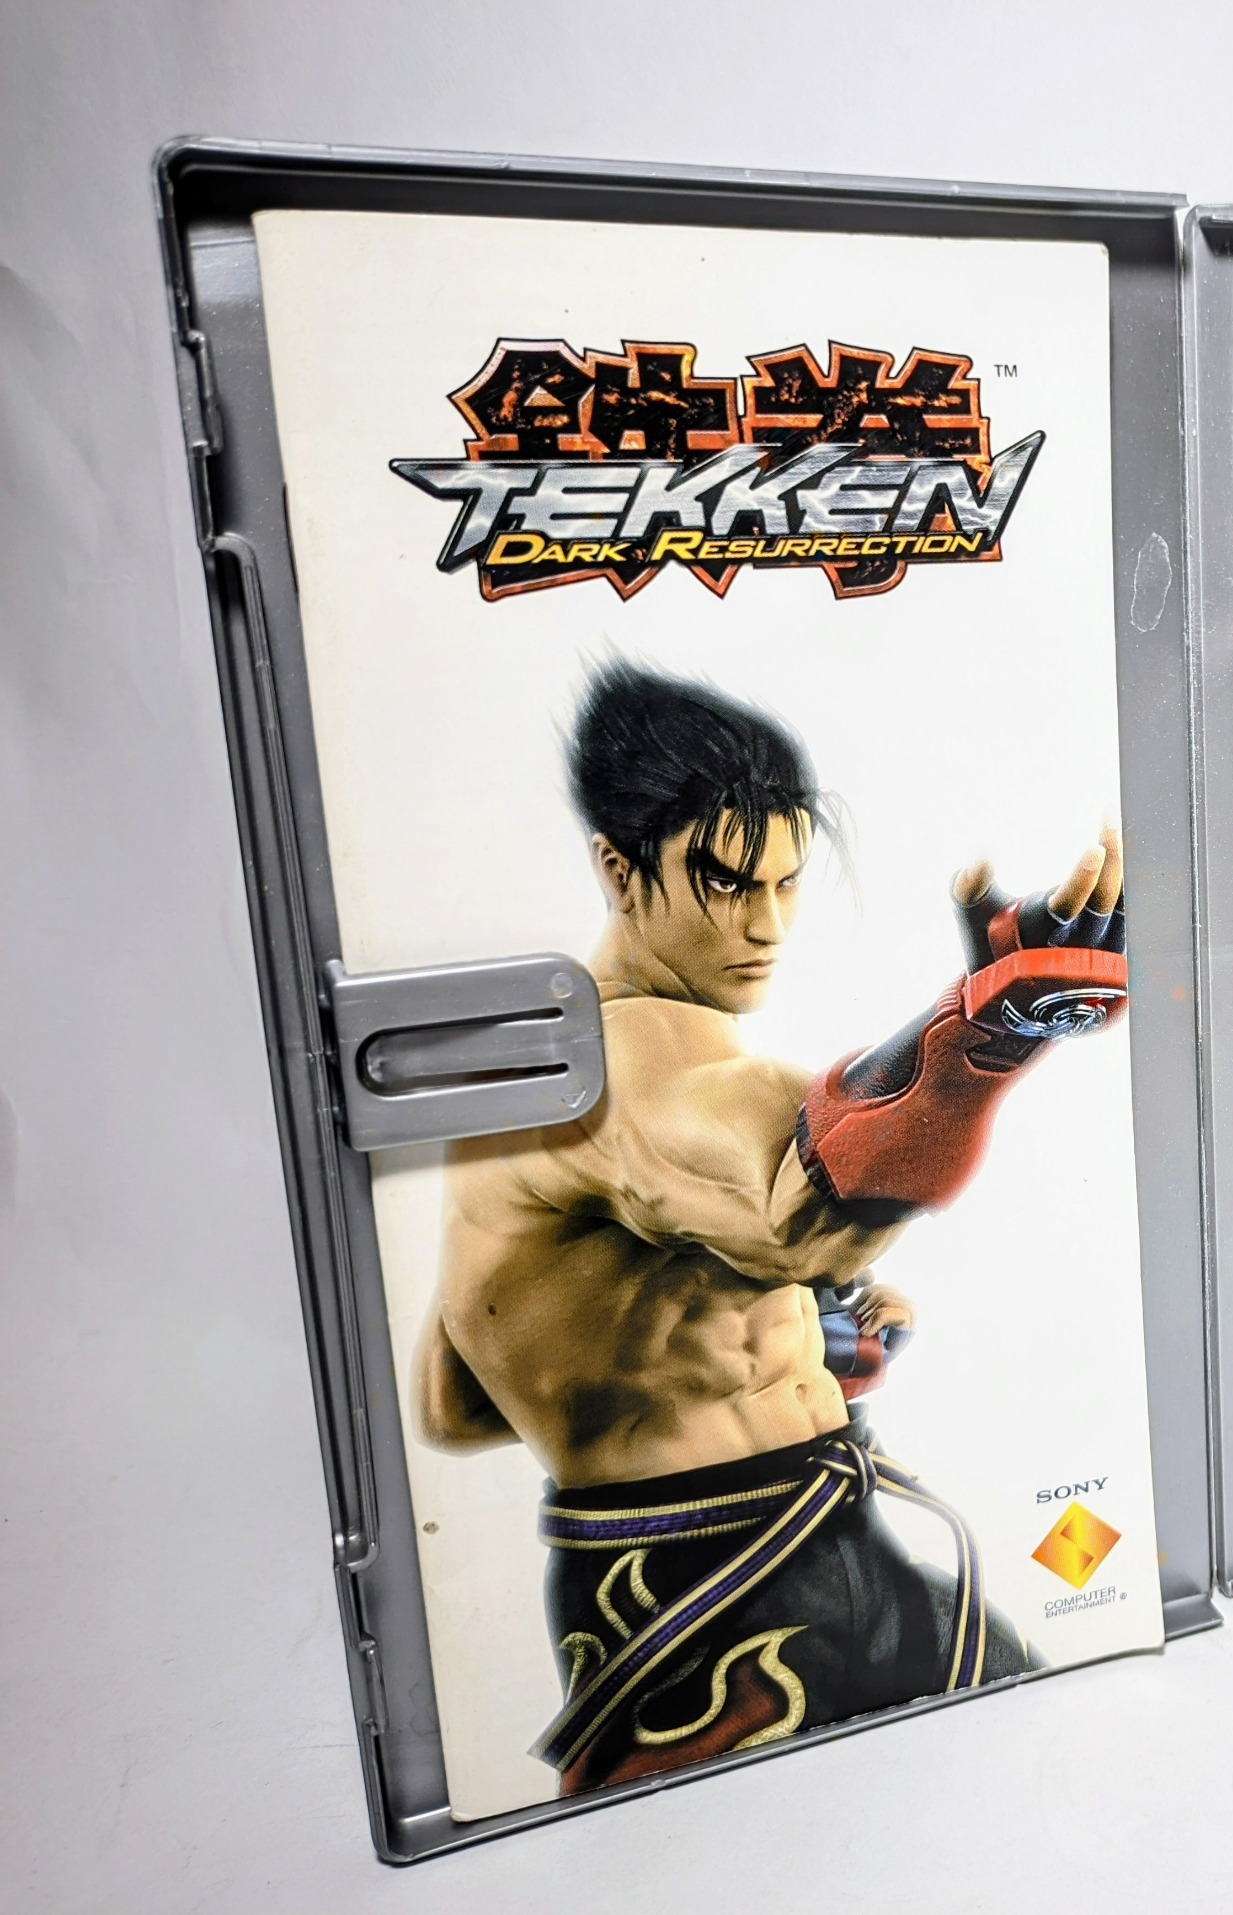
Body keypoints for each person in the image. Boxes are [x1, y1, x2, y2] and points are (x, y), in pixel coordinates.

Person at [413, 661, 1126, 1792]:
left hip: (819, 1536)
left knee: (1022, 1776)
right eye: (725, 882)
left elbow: (452, 1403)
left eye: (786, 883)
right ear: (619, 869)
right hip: (702, 1598)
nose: (767, 923)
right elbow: (799, 1203)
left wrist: (735, 1345)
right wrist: (986, 1027)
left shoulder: (527, 1079)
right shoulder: (620, 1054)